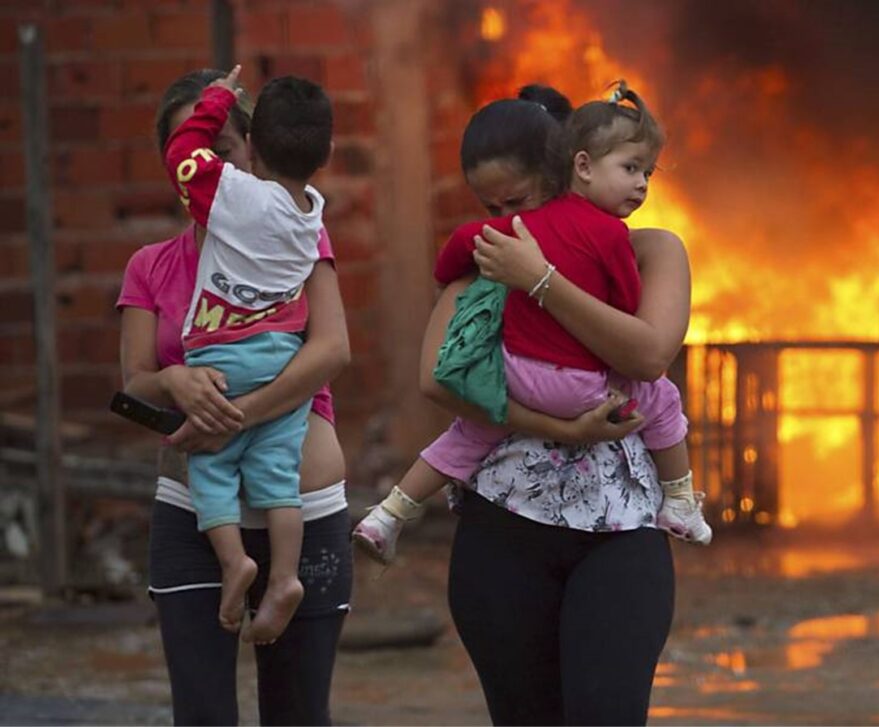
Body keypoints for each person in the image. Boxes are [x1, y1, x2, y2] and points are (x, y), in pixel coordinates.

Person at [353, 81, 709, 564]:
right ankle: (392, 513)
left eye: (516, 202)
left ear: (567, 173)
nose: (505, 221)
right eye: (492, 210)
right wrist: (561, 428)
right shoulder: (489, 265)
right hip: (505, 511)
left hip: (619, 525)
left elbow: (648, 355)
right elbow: (437, 381)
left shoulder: (645, 249)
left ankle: (392, 511)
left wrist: (540, 279)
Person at [119, 68, 351, 725]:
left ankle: (277, 573)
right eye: (193, 147)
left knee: (299, 715)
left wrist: (234, 416)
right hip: (193, 512)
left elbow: (332, 349)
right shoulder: (150, 266)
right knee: (201, 714)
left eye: (221, 145)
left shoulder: (295, 230)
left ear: (251, 149)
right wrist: (172, 381)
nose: (207, 160)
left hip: (303, 507)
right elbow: (134, 380)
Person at [162, 65, 332, 644]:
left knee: (208, 463)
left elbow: (182, 153)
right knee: (278, 476)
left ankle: (235, 562)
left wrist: (214, 101)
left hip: (224, 357)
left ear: (252, 146)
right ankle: (285, 577)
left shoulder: (235, 199)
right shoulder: (312, 213)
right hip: (283, 361)